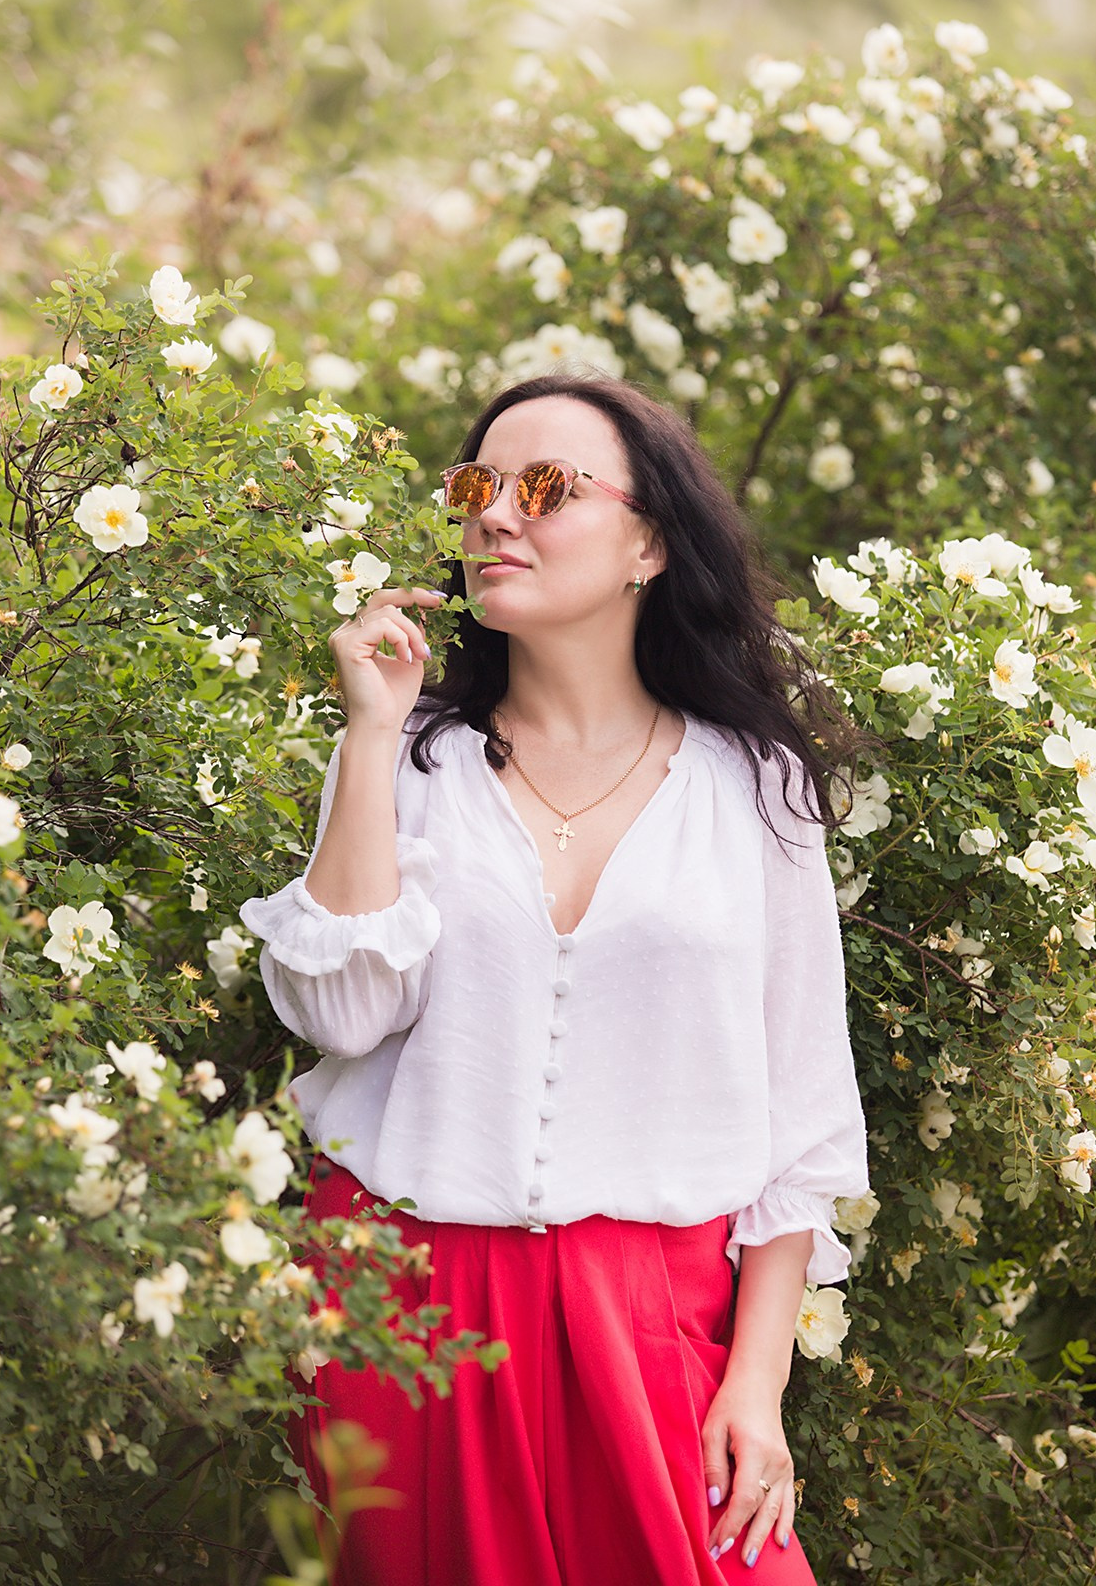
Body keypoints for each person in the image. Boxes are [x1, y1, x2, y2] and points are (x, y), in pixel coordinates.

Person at [239, 373, 875, 1586]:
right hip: (403, 1307)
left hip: (654, 1317)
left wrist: (757, 1387)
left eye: (545, 488)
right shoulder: (409, 757)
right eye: (477, 485)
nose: (494, 514)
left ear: (648, 543)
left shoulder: (757, 789)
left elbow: (802, 1119)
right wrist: (368, 733)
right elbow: (343, 1012)